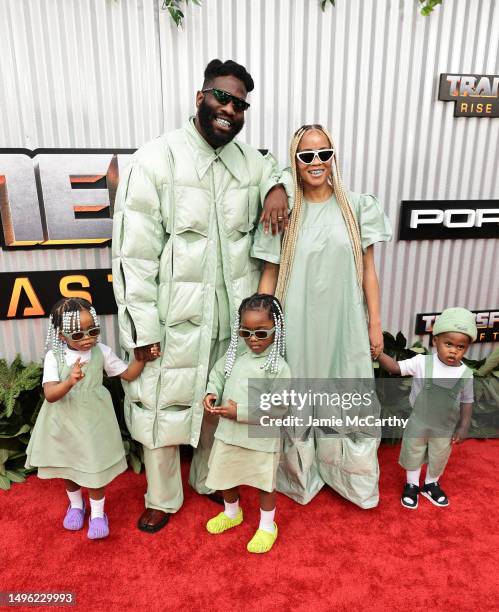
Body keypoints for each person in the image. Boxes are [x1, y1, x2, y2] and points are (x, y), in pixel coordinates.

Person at [112, 59, 288, 533]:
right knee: (159, 406)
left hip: (231, 315)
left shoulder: (251, 162)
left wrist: (276, 187)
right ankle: (162, 497)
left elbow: (281, 169)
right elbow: (133, 256)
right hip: (173, 318)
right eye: (221, 97)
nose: (229, 109)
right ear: (200, 97)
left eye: (240, 104)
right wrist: (141, 330)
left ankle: (211, 481)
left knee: (216, 402)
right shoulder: (155, 159)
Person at [267, 124, 392, 508]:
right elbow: (271, 270)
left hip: (346, 321)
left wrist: (374, 323)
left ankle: (350, 480)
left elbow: (368, 270)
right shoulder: (283, 211)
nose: (317, 162)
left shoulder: (358, 207)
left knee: (348, 391)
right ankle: (301, 477)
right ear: (295, 161)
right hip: (296, 321)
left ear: (333, 156)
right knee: (298, 393)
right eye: (307, 156)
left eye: (324, 153)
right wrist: (261, 324)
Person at [25, 298, 146, 539]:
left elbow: (128, 374)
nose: (88, 338)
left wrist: (141, 358)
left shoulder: (101, 351)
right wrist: (69, 381)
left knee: (94, 467)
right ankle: (76, 506)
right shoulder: (54, 357)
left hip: (93, 422)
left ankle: (98, 514)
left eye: (93, 330)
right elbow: (50, 395)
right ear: (61, 336)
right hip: (63, 422)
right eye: (78, 334)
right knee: (70, 467)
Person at [203, 294, 290, 553]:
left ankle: (267, 526)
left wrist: (238, 411)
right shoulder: (234, 357)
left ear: (277, 329)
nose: (253, 339)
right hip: (229, 434)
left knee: (264, 483)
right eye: (246, 332)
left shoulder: (278, 367)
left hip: (260, 439)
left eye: (261, 333)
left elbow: (279, 406)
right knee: (225, 475)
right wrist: (211, 392)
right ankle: (232, 513)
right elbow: (217, 374)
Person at [377, 307, 476, 509]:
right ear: (435, 341)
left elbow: (467, 400)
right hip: (419, 422)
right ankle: (412, 485)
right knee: (413, 451)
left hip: (444, 427)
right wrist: (379, 354)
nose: (453, 350)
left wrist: (464, 425)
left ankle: (431, 484)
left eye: (460, 347)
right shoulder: (422, 362)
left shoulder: (466, 374)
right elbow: (395, 368)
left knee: (439, 455)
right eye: (448, 344)